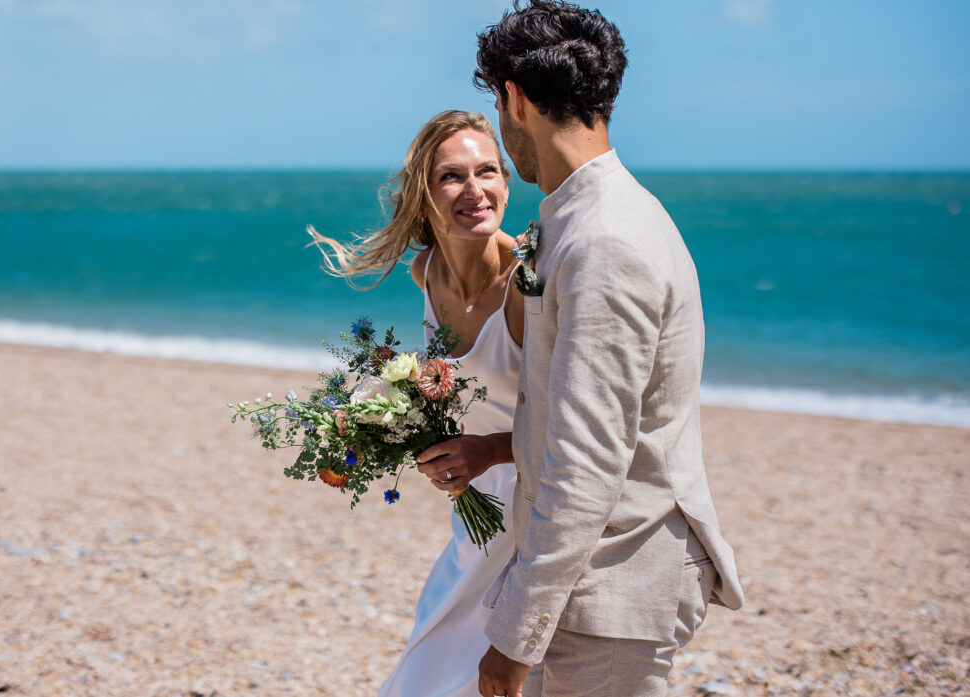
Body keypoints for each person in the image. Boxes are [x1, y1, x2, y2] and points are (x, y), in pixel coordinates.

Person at [469, 3, 746, 697]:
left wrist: (515, 637)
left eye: (500, 110)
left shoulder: (604, 240)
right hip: (588, 584)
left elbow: (589, 456)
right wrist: (500, 445)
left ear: (515, 98)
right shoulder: (579, 218)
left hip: (613, 589)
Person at [309, 110, 537, 697]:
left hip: (537, 506)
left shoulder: (527, 289)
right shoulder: (426, 269)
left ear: (508, 184)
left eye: (488, 171)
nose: (475, 189)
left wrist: (488, 449)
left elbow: (577, 424)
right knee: (430, 662)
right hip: (477, 510)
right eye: (451, 177)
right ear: (424, 197)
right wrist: (394, 425)